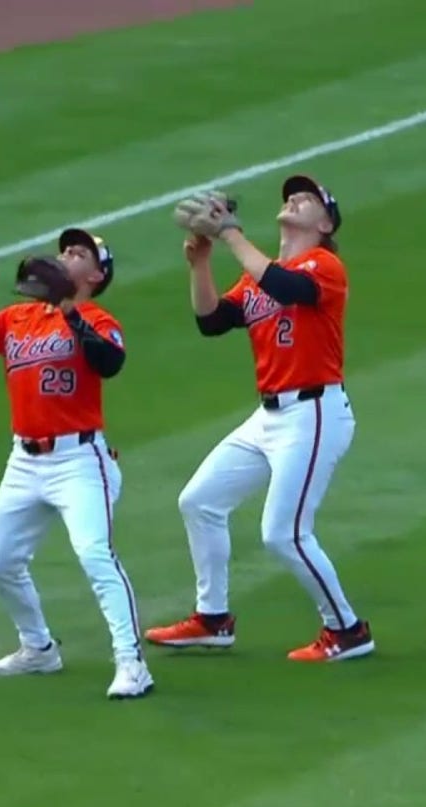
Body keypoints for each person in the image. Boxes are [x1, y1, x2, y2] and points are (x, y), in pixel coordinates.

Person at [144, 174, 372, 662]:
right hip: (269, 417)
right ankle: (212, 620)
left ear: (326, 222)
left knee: (284, 533)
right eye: (291, 195)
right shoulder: (258, 274)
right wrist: (200, 263)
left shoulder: (324, 266)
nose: (294, 200)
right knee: (200, 501)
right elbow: (212, 321)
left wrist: (228, 232)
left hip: (314, 414)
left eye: (307, 199)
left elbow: (285, 286)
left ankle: (347, 630)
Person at [0, 228, 153, 699]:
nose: (66, 256)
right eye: (65, 250)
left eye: (79, 254)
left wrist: (70, 311)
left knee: (95, 556)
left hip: (80, 459)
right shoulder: (20, 316)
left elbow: (109, 362)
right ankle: (38, 647)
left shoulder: (97, 317)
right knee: (1, 563)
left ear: (96, 275)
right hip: (24, 461)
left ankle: (132, 663)